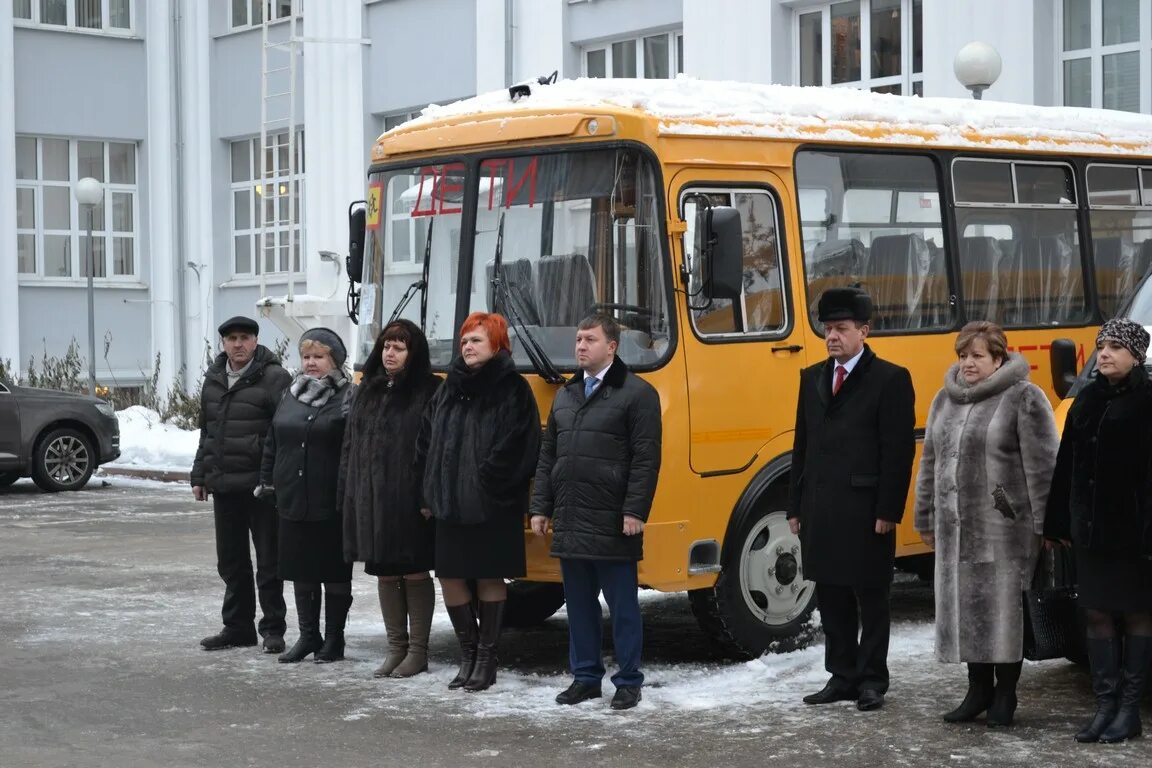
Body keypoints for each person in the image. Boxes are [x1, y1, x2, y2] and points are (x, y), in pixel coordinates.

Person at [914, 321, 1058, 727]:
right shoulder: (945, 399)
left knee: (1003, 612)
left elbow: (1044, 465)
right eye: (963, 355)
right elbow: (930, 462)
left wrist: (1047, 524)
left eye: (977, 355)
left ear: (999, 358)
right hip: (955, 529)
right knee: (965, 610)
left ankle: (1006, 693)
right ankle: (977, 689)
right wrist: (925, 514)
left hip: (1006, 530)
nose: (968, 363)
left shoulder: (1024, 398)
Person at [788, 287, 915, 712]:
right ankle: (841, 675)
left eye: (841, 329)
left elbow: (897, 451)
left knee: (872, 596)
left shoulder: (890, 379)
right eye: (827, 329)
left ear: (864, 330)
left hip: (865, 509)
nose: (832, 336)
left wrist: (887, 509)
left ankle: (872, 680)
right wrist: (795, 505)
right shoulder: (812, 378)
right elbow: (801, 445)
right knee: (831, 594)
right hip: (821, 506)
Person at [530, 314, 662, 711]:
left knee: (622, 606)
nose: (581, 346)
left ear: (612, 346)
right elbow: (548, 455)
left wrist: (635, 510)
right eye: (578, 339)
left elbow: (645, 459)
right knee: (580, 605)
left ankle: (628, 680)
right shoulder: (566, 395)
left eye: (590, 339)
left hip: (612, 521)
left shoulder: (638, 394)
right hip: (571, 518)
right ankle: (586, 677)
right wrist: (541, 506)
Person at [417, 312, 541, 692]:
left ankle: (487, 658)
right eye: (465, 341)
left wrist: (486, 482)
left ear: (498, 345)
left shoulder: (513, 388)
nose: (467, 348)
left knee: (489, 576)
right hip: (449, 503)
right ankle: (467, 654)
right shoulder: (447, 387)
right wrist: (430, 489)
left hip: (491, 504)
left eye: (477, 341)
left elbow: (521, 445)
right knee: (451, 576)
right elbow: (426, 440)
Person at [1045, 318, 1152, 744]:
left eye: (1113, 347)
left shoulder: (1148, 402)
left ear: (1136, 355)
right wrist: (1056, 523)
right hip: (1089, 531)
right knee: (1096, 612)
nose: (1103, 353)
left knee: (1137, 612)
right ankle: (1105, 704)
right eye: (1100, 345)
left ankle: (1129, 709)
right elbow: (1066, 466)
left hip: (1135, 534)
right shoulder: (1086, 400)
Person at [340, 320, 441, 678]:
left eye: (399, 347)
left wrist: (428, 496)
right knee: (383, 572)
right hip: (371, 499)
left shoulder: (430, 389)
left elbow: (434, 450)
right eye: (386, 346)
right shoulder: (367, 389)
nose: (390, 353)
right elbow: (350, 448)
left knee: (413, 569)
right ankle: (395, 648)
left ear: (413, 353)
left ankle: (418, 651)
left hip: (410, 499)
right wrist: (348, 494)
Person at [191, 316, 291, 652]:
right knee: (231, 561)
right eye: (231, 338)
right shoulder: (214, 380)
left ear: (256, 340)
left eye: (244, 338)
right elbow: (208, 433)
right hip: (225, 487)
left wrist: (276, 478)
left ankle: (273, 629)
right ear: (223, 343)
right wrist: (200, 475)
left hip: (262, 488)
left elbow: (284, 431)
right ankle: (237, 627)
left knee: (269, 562)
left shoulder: (274, 377)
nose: (238, 344)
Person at [259, 328, 354, 663]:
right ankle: (308, 636)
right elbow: (273, 439)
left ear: (335, 361)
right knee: (301, 569)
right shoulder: (291, 393)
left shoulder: (347, 397)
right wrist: (267, 480)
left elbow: (352, 448)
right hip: (292, 496)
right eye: (307, 357)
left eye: (319, 357)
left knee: (334, 572)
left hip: (331, 498)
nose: (311, 363)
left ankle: (335, 640)